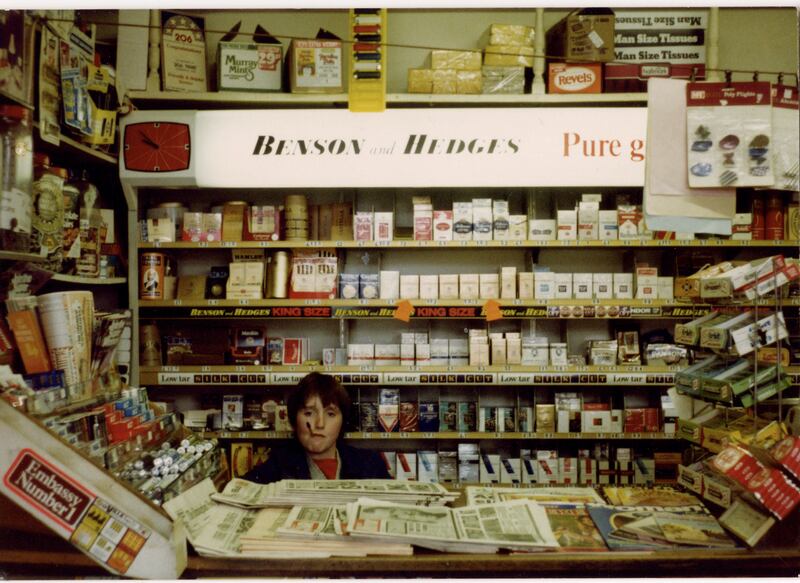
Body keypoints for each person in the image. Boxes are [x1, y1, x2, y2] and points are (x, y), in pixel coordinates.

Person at [244, 372, 390, 483]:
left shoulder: (371, 464)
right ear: (294, 419)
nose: (319, 424)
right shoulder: (275, 468)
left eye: (331, 414)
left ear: (343, 421)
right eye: (309, 413)